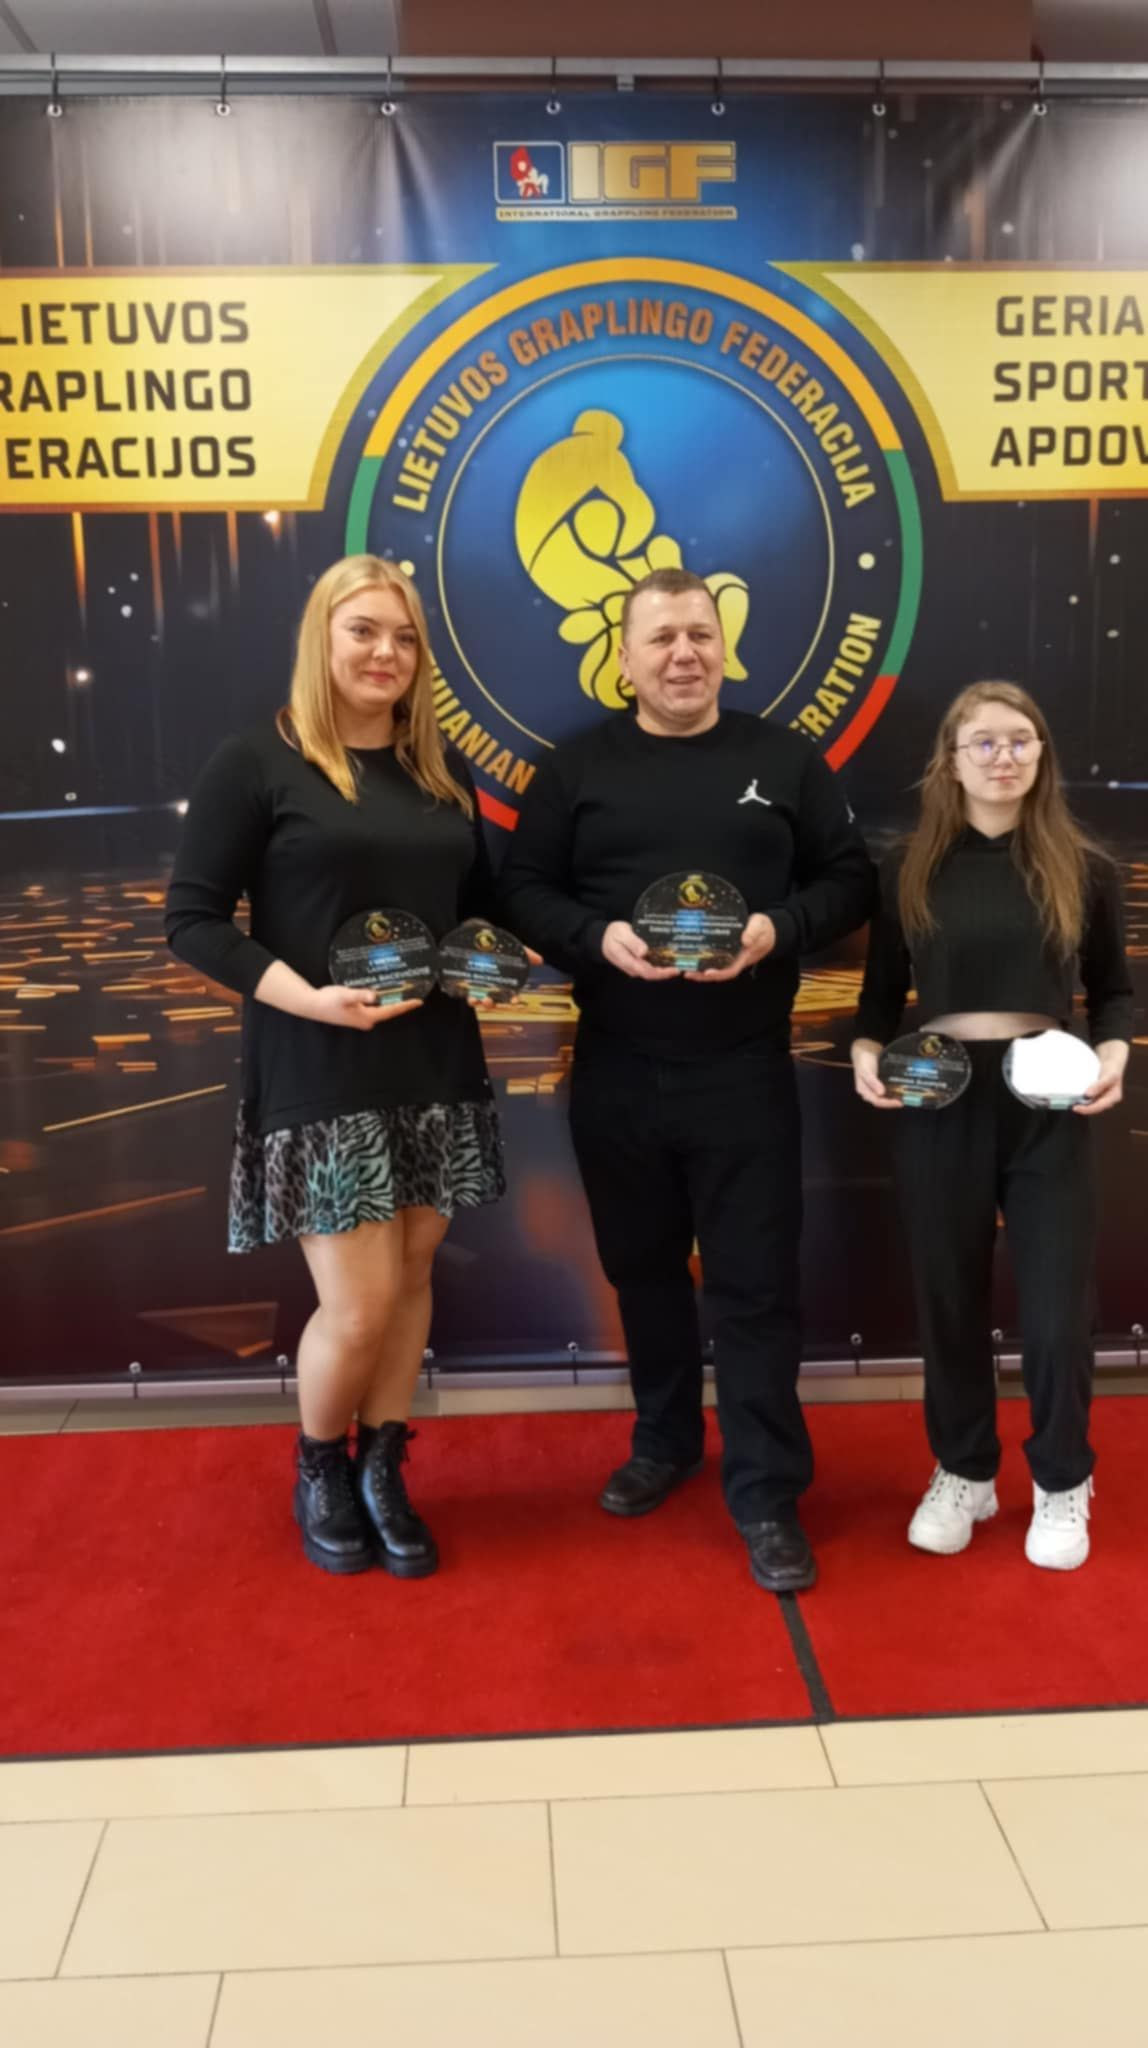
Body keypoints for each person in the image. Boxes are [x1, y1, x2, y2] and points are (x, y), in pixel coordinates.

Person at [499, 566, 875, 1593]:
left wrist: (777, 928)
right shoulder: (576, 768)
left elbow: (849, 878)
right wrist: (593, 937)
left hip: (743, 1069)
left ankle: (766, 1491)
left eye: (699, 635)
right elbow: (521, 888)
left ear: (724, 647)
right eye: (661, 637)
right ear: (623, 658)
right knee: (643, 1270)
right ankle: (664, 1441)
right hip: (616, 1069)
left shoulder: (782, 759)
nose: (682, 655)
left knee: (756, 1287)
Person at [165, 556, 508, 1580]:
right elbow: (192, 919)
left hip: (435, 1060)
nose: (384, 653)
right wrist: (309, 997)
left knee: (411, 1279)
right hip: (319, 1060)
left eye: (403, 638)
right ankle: (320, 1465)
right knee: (358, 1304)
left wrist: (492, 962)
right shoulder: (256, 762)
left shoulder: (441, 772)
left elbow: (478, 909)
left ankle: (382, 1465)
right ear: (321, 637)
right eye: (363, 630)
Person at [851, 681, 1134, 1571]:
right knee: (948, 1301)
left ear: (1042, 755)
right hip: (939, 1101)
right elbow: (878, 996)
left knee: (1056, 1313)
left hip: (1049, 1103)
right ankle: (964, 1469)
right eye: (984, 741)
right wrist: (865, 1051)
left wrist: (1115, 1052)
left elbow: (1114, 991)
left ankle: (1062, 1480)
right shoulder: (908, 866)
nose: (1003, 756)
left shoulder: (1083, 867)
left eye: (1021, 740)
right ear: (951, 759)